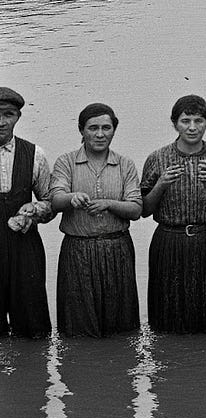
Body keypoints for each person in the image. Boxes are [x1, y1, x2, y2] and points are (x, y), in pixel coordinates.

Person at [140, 94, 206, 333]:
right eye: (185, 121)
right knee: (167, 313)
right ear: (175, 124)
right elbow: (144, 210)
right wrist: (161, 184)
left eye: (199, 121)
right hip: (169, 239)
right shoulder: (157, 158)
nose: (192, 127)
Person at [50, 102, 142, 337]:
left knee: (120, 325)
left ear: (114, 130)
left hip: (117, 248)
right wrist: (72, 198)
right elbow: (55, 199)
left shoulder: (125, 164)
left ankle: (118, 369)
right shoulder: (66, 162)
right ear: (81, 130)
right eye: (93, 128)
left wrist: (109, 204)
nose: (100, 134)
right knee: (78, 324)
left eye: (106, 128)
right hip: (77, 249)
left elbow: (135, 208)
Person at [0, 86, 54, 339]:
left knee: (33, 327)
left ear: (18, 117)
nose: (1, 122)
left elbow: (50, 202)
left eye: (8, 114)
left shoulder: (35, 155)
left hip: (25, 247)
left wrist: (35, 210)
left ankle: (33, 375)